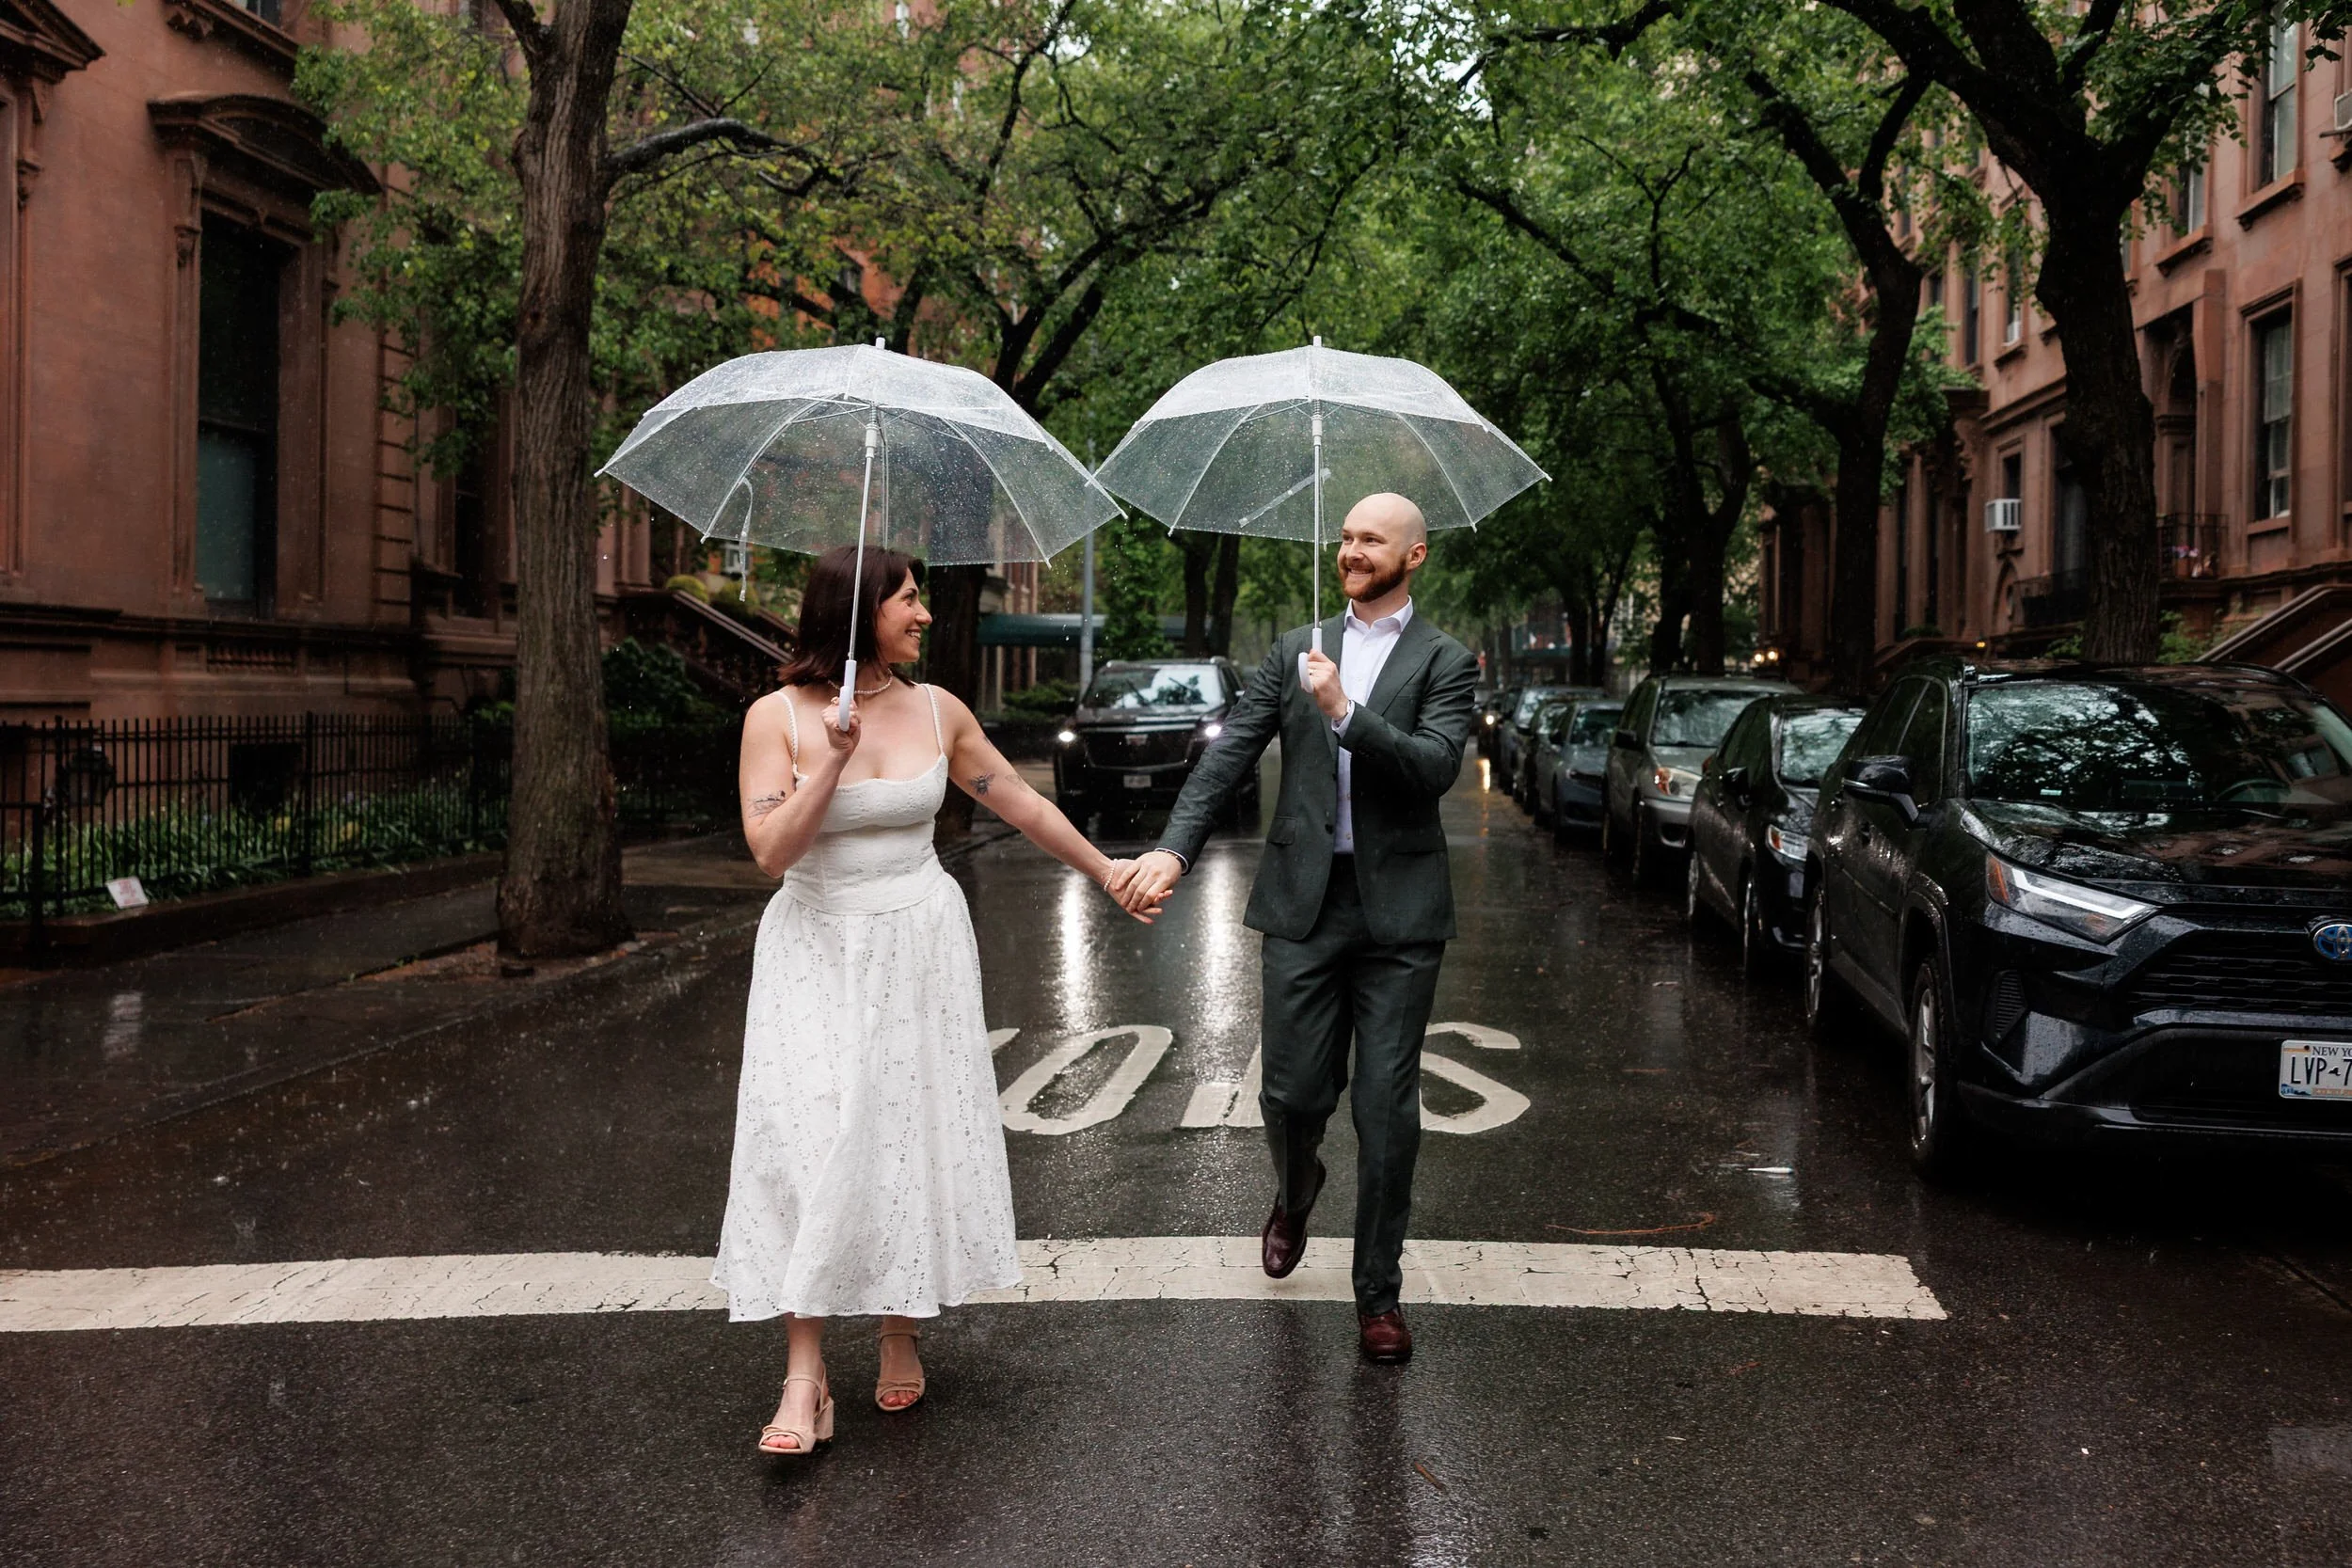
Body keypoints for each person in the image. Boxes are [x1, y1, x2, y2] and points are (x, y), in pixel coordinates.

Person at [717, 543, 1162, 1456]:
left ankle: (898, 1321)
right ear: (856, 610)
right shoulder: (777, 717)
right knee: (803, 1137)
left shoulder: (936, 708)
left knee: (898, 1129)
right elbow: (770, 851)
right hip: (813, 944)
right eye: (908, 600)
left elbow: (1019, 803)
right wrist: (831, 763)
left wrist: (1108, 871)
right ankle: (804, 1375)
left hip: (916, 939)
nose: (924, 614)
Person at [1110, 493, 1476, 1364]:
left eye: (1371, 539)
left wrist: (1347, 712)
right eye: (1345, 536)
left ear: (1413, 556)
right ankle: (1295, 1182)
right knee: (1292, 1093)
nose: (1351, 550)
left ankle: (1378, 1294)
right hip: (1304, 905)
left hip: (1399, 914)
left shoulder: (1446, 659)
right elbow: (1231, 751)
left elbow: (1433, 767)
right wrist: (1174, 848)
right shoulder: (1294, 648)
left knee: (1387, 1108)